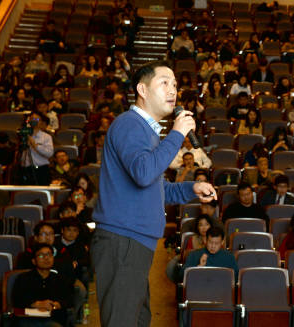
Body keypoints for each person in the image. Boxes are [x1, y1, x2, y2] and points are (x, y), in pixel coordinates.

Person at [90, 61, 217, 327]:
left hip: (134, 240)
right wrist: (177, 134)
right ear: (142, 90)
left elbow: (152, 187)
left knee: (138, 319)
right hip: (122, 238)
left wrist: (189, 188)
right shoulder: (130, 125)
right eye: (164, 83)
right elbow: (144, 174)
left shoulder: (147, 132)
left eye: (174, 84)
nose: (172, 90)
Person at [12, 243, 72, 326]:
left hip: (53, 319)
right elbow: (17, 300)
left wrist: (58, 304)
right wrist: (36, 304)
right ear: (34, 261)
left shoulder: (60, 279)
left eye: (49, 255)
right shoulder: (23, 278)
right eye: (41, 255)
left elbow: (68, 300)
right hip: (28, 319)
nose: (46, 258)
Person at [19, 111, 54, 185]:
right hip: (26, 169)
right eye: (32, 119)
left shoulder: (46, 137)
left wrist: (35, 145)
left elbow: (49, 153)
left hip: (41, 170)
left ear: (41, 122)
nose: (33, 121)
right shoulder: (24, 134)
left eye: (36, 119)